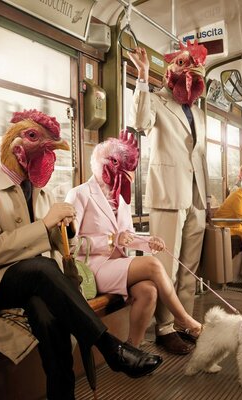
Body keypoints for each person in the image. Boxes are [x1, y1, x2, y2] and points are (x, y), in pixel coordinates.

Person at [0, 110, 161, 400]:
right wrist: (43, 224)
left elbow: (51, 244)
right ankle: (110, 348)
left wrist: (64, 229)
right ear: (16, 146)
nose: (49, 145)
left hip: (35, 285)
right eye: (33, 137)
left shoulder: (39, 193)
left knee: (47, 315)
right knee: (40, 268)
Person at [65, 131, 202, 349]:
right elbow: (70, 244)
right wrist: (110, 241)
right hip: (92, 269)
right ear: (107, 165)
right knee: (151, 264)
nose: (129, 175)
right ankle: (183, 319)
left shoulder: (121, 198)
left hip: (116, 266)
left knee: (148, 291)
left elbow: (126, 236)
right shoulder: (79, 194)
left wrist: (149, 242)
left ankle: (132, 350)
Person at [129, 41, 210, 355]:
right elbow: (139, 122)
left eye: (190, 64)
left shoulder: (197, 112)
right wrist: (142, 76)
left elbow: (198, 155)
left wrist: (207, 200)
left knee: (189, 267)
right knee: (167, 265)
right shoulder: (155, 101)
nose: (185, 69)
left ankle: (182, 322)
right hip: (167, 192)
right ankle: (163, 329)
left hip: (196, 195)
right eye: (179, 63)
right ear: (167, 72)